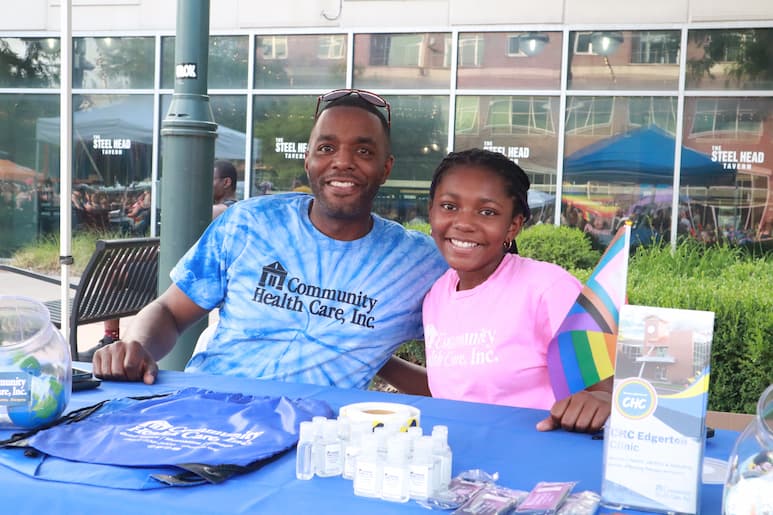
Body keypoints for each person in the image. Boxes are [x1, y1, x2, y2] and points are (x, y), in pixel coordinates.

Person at [92, 89, 447, 390]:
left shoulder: (420, 264)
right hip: (204, 408)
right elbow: (170, 311)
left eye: (364, 151)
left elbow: (477, 357)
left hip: (314, 441)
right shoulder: (249, 223)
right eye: (326, 148)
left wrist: (374, 353)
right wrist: (136, 346)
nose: (343, 162)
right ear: (307, 160)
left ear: (386, 168)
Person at [386, 149, 612, 433]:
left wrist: (603, 399)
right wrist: (379, 359)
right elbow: (456, 395)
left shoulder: (548, 289)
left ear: (513, 226)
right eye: (449, 206)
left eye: (487, 212)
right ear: (431, 211)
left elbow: (606, 390)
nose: (464, 223)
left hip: (539, 464)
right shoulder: (437, 296)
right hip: (467, 464)